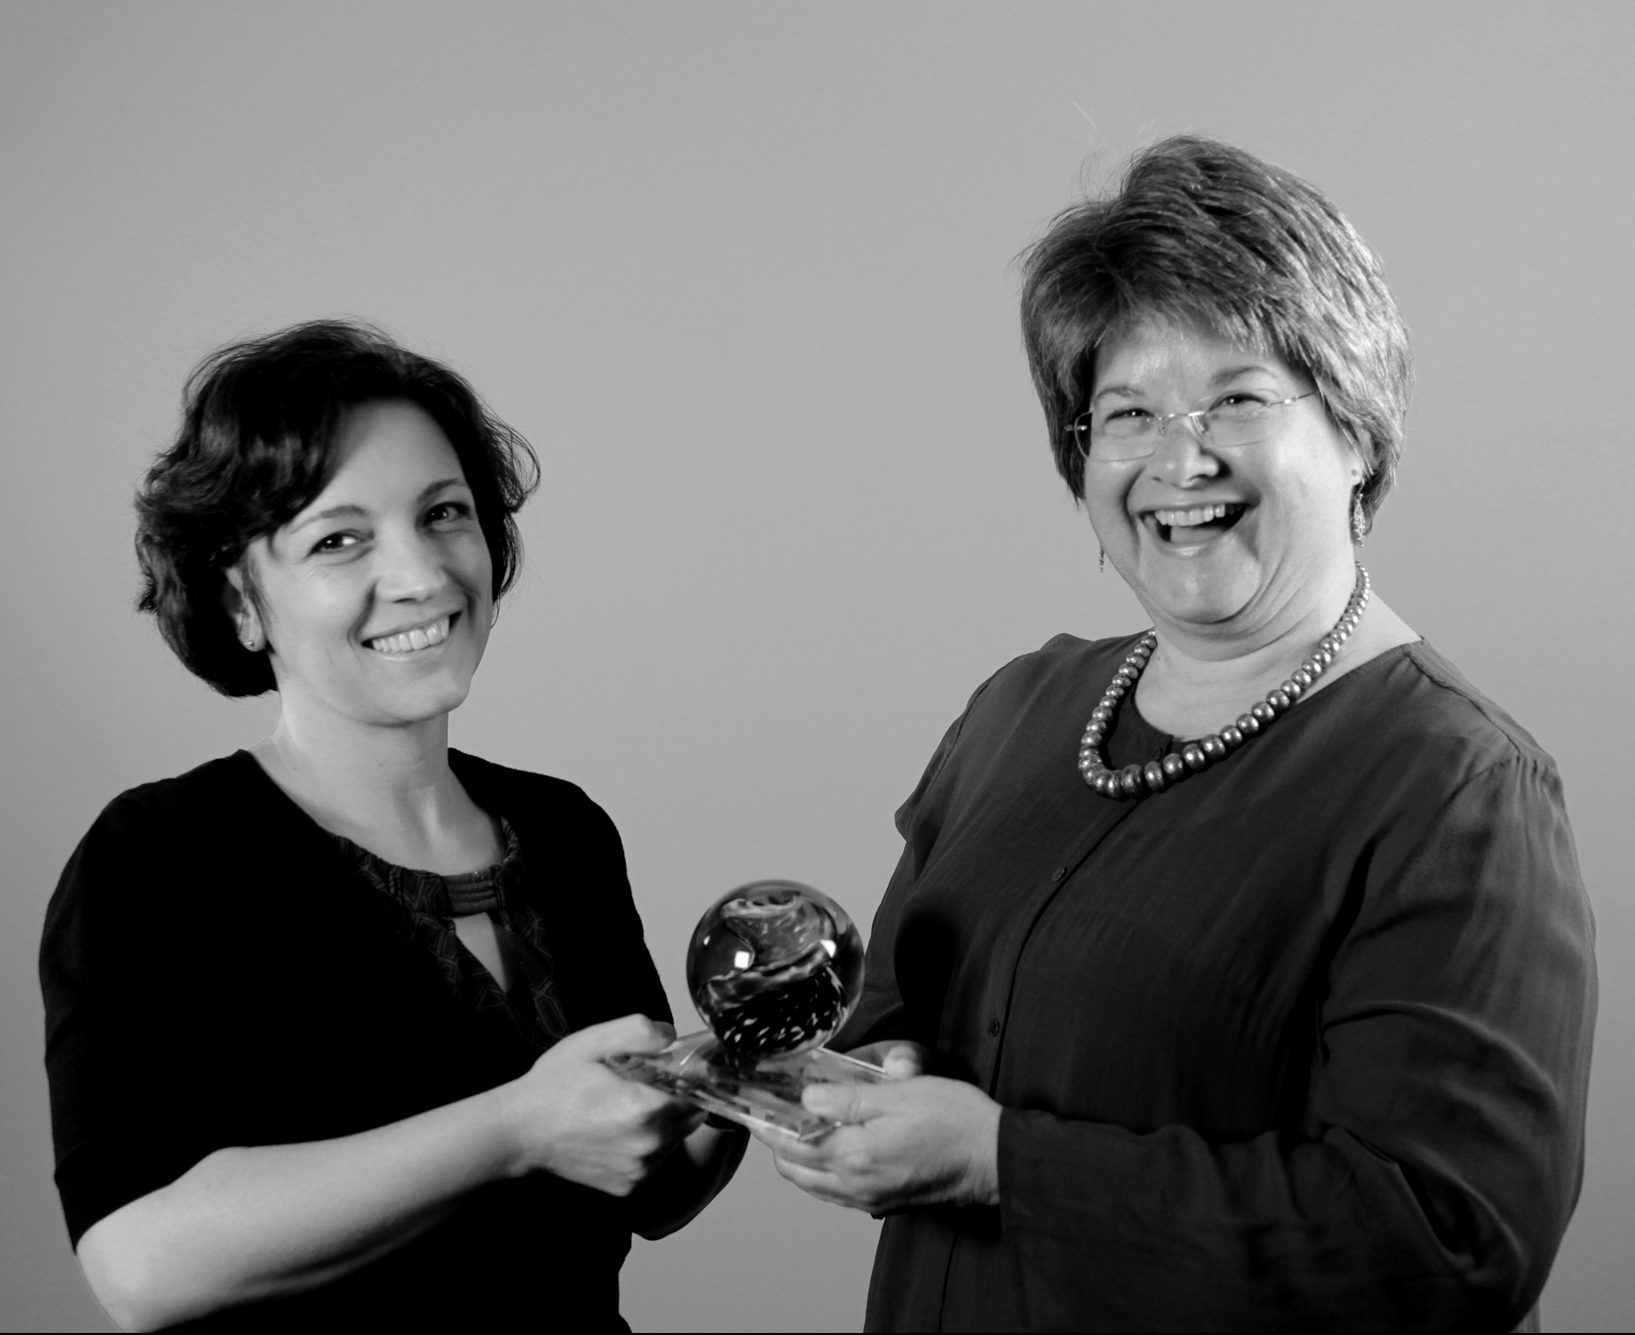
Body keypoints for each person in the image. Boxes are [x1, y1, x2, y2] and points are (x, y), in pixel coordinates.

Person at [758, 137, 1596, 1331]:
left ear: (1357, 431)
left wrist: (1000, 1163)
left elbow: (1449, 1243)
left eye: (1237, 399)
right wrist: (863, 1079)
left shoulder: (1456, 786)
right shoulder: (1019, 709)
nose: (1178, 458)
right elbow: (897, 1012)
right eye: (1128, 413)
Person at [39, 320, 745, 1331]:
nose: (422, 575)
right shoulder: (160, 854)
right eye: (339, 539)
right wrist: (515, 1127)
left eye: (443, 513)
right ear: (241, 601)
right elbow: (140, 1265)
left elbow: (647, 1191)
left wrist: (745, 1082)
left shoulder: (563, 828)